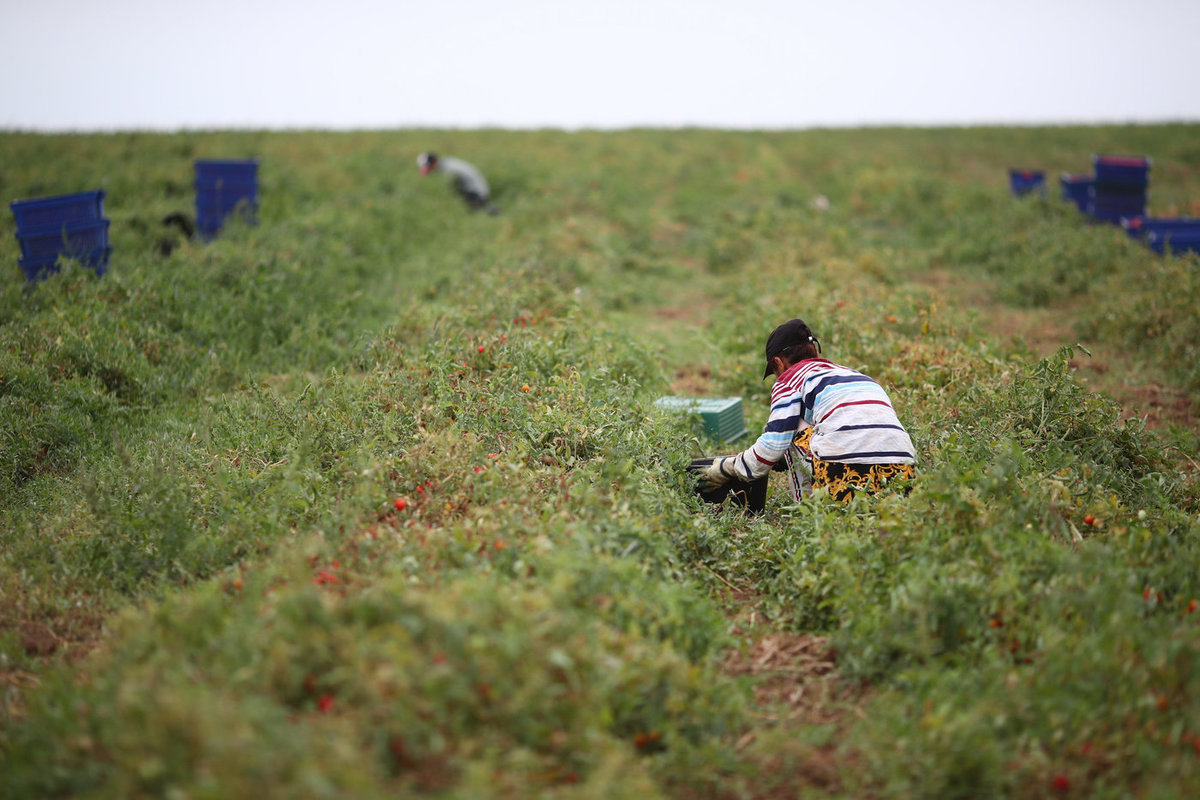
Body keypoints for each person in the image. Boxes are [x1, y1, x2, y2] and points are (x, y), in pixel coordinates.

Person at [698, 318, 916, 504]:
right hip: (902, 479)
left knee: (789, 428)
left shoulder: (790, 379)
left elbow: (772, 446)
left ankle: (808, 511)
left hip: (846, 476)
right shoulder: (857, 376)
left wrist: (728, 468)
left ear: (778, 363)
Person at [417, 152, 500, 214]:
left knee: (481, 210)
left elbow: (452, 188)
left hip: (476, 192)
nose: (432, 171)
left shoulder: (450, 170)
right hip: (473, 190)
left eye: (430, 167)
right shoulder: (447, 163)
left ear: (434, 162)